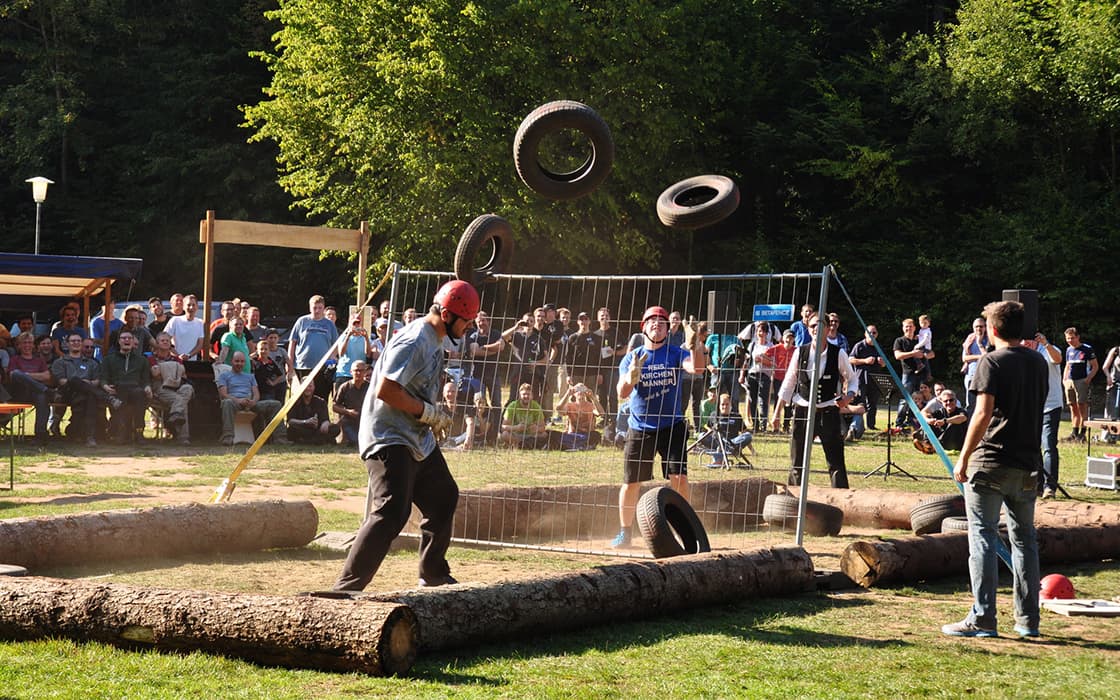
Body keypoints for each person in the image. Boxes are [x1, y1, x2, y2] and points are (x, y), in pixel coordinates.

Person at [333, 280, 479, 592]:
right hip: (389, 437)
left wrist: (429, 414)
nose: (468, 328)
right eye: (466, 321)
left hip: (415, 437)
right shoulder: (415, 340)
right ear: (448, 315)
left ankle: (433, 575)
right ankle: (345, 590)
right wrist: (427, 413)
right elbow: (387, 390)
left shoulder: (435, 338)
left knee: (443, 497)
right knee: (391, 511)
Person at [942, 300, 1046, 639]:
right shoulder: (1039, 362)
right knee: (1025, 541)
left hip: (991, 463)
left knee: (983, 538)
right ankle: (1028, 621)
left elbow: (982, 414)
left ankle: (983, 617)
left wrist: (963, 457)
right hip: (1028, 463)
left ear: (993, 329)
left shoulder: (990, 362)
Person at [610, 305, 704, 548]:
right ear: (644, 328)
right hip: (640, 427)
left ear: (668, 329)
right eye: (652, 322)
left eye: (662, 322)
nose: (657, 325)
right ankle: (625, 533)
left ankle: (686, 528)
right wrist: (631, 376)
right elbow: (622, 392)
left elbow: (698, 368)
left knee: (679, 478)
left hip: (672, 425)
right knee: (631, 482)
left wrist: (696, 344)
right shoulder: (632, 356)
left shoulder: (675, 353)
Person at [772, 313, 855, 489]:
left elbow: (852, 379)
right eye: (812, 326)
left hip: (828, 412)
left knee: (836, 463)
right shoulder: (799, 352)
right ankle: (792, 503)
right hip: (802, 411)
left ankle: (841, 504)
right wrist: (777, 412)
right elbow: (789, 382)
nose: (816, 329)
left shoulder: (838, 353)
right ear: (808, 330)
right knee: (797, 463)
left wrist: (848, 397)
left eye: (820, 325)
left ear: (827, 329)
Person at [216, 351, 286, 446]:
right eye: (237, 361)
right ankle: (228, 437)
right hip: (234, 403)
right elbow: (223, 394)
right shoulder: (224, 376)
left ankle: (280, 438)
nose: (239, 364)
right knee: (226, 402)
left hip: (251, 403)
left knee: (276, 404)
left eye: (242, 361)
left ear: (245, 363)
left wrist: (253, 401)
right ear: (232, 361)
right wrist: (238, 400)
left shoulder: (250, 376)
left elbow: (256, 393)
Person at [101, 330, 152, 443]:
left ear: (134, 342)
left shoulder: (142, 360)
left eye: (129, 338)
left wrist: (148, 386)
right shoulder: (109, 359)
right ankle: (122, 431)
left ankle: (139, 432)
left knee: (139, 394)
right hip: (117, 388)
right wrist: (105, 386)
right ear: (119, 341)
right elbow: (103, 377)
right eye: (124, 338)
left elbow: (145, 379)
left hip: (135, 388)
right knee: (121, 394)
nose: (127, 340)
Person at [288, 294, 340, 401]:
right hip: (303, 366)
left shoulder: (329, 324)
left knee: (320, 397)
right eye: (314, 308)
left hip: (323, 368)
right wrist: (289, 365)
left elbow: (336, 345)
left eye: (320, 308)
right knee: (301, 397)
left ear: (323, 308)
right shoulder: (302, 321)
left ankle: (320, 417)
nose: (317, 311)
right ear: (310, 307)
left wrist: (331, 360)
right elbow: (292, 343)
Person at [148, 332, 194, 445]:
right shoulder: (150, 358)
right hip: (159, 388)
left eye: (167, 341)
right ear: (157, 343)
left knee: (188, 389)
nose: (165, 342)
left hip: (176, 386)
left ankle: (175, 415)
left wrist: (163, 369)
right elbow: (155, 375)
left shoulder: (177, 359)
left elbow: (183, 376)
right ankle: (183, 438)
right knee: (181, 401)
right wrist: (173, 370)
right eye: (162, 340)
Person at [1034, 331, 1063, 498]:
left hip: (1051, 406)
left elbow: (1058, 359)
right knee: (1033, 446)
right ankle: (1036, 485)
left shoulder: (1048, 350)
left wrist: (1045, 343)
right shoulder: (1022, 353)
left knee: (1049, 446)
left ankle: (1049, 486)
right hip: (1032, 407)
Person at [893, 318, 934, 429]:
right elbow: (897, 356)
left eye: (911, 326)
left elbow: (932, 354)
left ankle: (912, 421)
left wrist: (924, 355)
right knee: (905, 399)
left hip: (922, 374)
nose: (908, 328)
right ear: (903, 328)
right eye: (906, 326)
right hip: (908, 374)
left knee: (919, 399)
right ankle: (899, 423)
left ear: (915, 328)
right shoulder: (899, 341)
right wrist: (913, 353)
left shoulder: (920, 339)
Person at [1062, 327, 1098, 443]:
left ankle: (1082, 433)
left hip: (1081, 381)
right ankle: (1074, 432)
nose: (1070, 340)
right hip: (1070, 381)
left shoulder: (1086, 349)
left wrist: (1088, 379)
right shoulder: (1068, 350)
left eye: (1072, 338)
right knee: (1073, 407)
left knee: (1082, 406)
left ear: (1078, 337)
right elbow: (1067, 365)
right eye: (1068, 338)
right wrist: (1064, 379)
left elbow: (1095, 366)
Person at [848, 325, 884, 434]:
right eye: (870, 333)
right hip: (861, 379)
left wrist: (882, 363)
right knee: (860, 403)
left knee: (873, 403)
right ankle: (857, 427)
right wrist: (865, 361)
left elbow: (884, 364)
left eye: (874, 333)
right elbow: (850, 359)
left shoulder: (878, 347)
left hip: (875, 378)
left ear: (877, 335)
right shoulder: (859, 346)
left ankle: (871, 426)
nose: (872, 335)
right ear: (865, 334)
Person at [333, 360, 370, 446]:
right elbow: (334, 406)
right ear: (351, 372)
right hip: (349, 421)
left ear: (365, 372)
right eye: (356, 370)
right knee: (355, 441)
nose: (358, 373)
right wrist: (348, 412)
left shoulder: (370, 387)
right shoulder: (345, 387)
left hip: (366, 421)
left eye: (361, 370)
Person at [500, 382, 547, 448]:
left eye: (528, 394)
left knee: (544, 435)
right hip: (516, 434)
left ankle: (523, 444)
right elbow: (503, 427)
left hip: (531, 436)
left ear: (532, 396)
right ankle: (522, 444)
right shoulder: (512, 406)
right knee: (504, 435)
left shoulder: (536, 406)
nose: (526, 396)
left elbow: (543, 428)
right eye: (524, 394)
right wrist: (517, 427)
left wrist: (536, 429)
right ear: (519, 396)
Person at [961, 317, 989, 415]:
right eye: (976, 327)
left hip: (985, 375)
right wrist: (979, 356)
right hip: (971, 375)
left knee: (985, 405)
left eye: (981, 326)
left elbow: (987, 357)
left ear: (985, 327)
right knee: (971, 405)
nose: (978, 329)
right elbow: (964, 358)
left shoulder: (989, 339)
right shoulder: (970, 339)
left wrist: (979, 343)